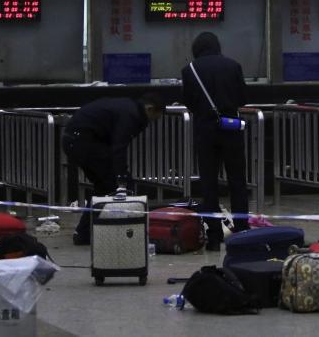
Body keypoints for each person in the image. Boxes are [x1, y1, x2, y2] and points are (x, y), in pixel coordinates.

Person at [62, 92, 166, 245]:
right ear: (150, 109)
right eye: (154, 117)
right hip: (84, 142)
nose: (152, 121)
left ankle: (84, 233)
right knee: (119, 185)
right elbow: (119, 146)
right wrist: (121, 176)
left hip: (76, 140)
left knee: (103, 187)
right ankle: (125, 232)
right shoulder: (131, 115)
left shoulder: (128, 107)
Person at [181, 31, 250, 251]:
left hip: (206, 131)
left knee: (208, 184)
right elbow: (242, 98)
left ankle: (213, 236)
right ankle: (242, 230)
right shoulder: (233, 66)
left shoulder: (189, 70)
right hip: (231, 128)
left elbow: (190, 103)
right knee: (237, 181)